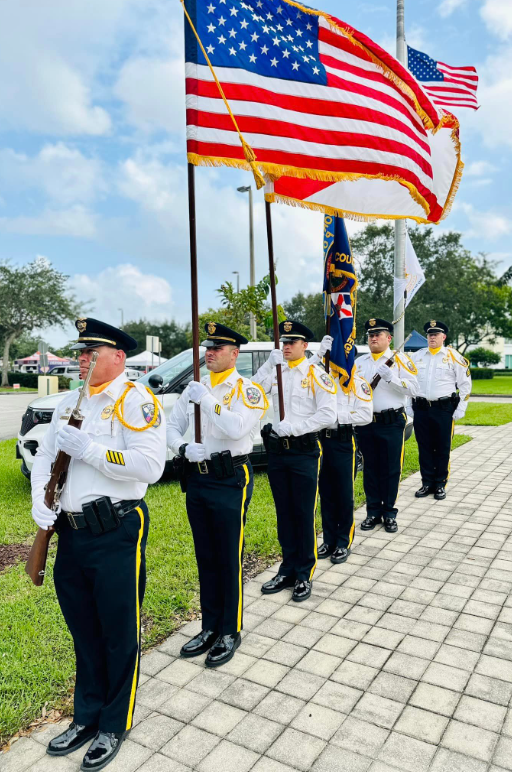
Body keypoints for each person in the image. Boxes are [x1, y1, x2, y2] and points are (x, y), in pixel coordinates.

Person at [30, 318, 167, 771]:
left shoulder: (135, 401)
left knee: (117, 632)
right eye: (82, 352)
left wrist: (91, 450)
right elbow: (47, 457)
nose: (83, 360)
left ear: (119, 358)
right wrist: (40, 506)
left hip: (115, 531)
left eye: (93, 352)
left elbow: (150, 467)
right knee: (84, 631)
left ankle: (114, 721)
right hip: (70, 531)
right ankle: (85, 716)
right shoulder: (72, 400)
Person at [167, 322, 267, 667]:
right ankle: (209, 626)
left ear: (234, 354)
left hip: (229, 479)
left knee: (227, 555)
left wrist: (207, 400)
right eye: (208, 348)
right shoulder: (194, 389)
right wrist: (181, 446)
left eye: (218, 349)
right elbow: (169, 426)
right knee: (205, 555)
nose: (210, 353)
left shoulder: (247, 390)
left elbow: (238, 427)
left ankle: (230, 629)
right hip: (197, 478)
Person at [254, 320, 337, 601]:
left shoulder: (316, 373)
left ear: (305, 346)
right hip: (277, 452)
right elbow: (251, 395)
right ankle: (287, 568)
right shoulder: (276, 371)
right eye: (283, 342)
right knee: (284, 512)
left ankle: (304, 573)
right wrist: (267, 366)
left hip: (303, 451)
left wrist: (296, 427)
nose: (286, 346)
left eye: (292, 342)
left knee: (302, 513)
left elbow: (328, 415)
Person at [309, 335, 373, 563]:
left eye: (342, 358)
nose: (337, 362)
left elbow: (365, 415)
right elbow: (301, 378)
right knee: (325, 491)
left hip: (344, 441)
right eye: (333, 357)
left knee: (343, 493)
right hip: (321, 441)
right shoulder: (323, 379)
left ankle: (343, 541)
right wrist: (317, 356)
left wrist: (335, 416)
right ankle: (328, 539)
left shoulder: (358, 383)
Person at [356, 318, 419, 533]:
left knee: (391, 469)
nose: (373, 338)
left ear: (388, 338)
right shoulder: (360, 363)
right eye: (371, 335)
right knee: (370, 469)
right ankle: (373, 511)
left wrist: (391, 378)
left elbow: (414, 389)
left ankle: (389, 512)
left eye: (378, 334)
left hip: (391, 422)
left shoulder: (401, 360)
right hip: (366, 423)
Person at [409, 321, 472, 500]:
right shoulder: (417, 356)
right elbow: (410, 382)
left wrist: (461, 407)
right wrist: (408, 405)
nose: (432, 337)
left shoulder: (453, 356)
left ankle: (440, 484)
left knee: (442, 447)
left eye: (436, 334)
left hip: (444, 409)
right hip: (421, 408)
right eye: (430, 334)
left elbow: (465, 385)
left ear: (443, 337)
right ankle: (427, 483)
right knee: (425, 447)